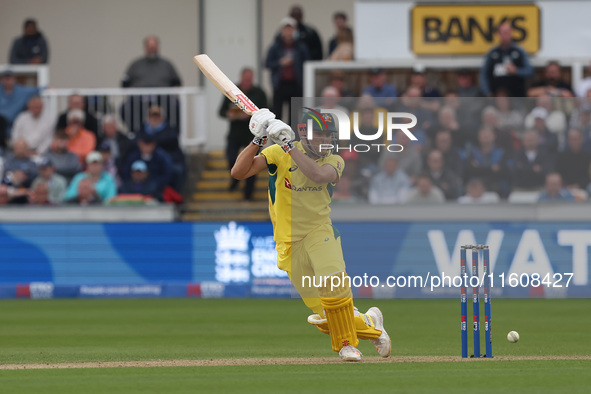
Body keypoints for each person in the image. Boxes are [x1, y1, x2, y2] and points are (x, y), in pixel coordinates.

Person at [231, 108, 391, 361]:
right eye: (321, 135)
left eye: (329, 135)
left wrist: (287, 145)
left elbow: (316, 175)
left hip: (320, 232)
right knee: (326, 313)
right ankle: (371, 323)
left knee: (334, 287)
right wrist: (258, 139)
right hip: (288, 241)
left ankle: (347, 345)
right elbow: (238, 173)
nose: (326, 141)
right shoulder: (277, 154)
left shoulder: (334, 160)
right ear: (305, 135)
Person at [219, 68, 267, 200]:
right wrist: (229, 114)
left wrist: (252, 116)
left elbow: (267, 110)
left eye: (249, 79)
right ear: (241, 78)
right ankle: (235, 179)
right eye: (245, 79)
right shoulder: (232, 92)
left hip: (251, 135)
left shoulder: (259, 93)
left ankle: (248, 194)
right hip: (235, 133)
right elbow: (221, 111)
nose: (247, 82)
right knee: (231, 157)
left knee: (252, 163)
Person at [265, 17, 309, 122]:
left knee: (293, 116)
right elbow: (267, 63)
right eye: (286, 29)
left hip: (295, 84)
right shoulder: (275, 47)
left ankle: (292, 138)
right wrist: (280, 63)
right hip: (280, 84)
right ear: (282, 31)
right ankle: (277, 137)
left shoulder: (301, 47)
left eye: (291, 29)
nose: (288, 32)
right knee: (277, 114)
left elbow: (307, 63)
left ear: (295, 31)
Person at [136, 106, 185, 192]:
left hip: (166, 162)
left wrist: (151, 143)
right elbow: (136, 141)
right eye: (152, 116)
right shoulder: (142, 129)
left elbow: (170, 140)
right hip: (148, 161)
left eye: (157, 116)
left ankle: (173, 197)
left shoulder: (170, 130)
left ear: (162, 118)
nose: (154, 119)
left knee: (176, 171)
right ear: (148, 118)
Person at [479, 22, 533, 97]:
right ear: (499, 34)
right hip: (497, 96)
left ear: (511, 33)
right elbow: (484, 74)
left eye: (507, 32)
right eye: (503, 33)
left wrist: (516, 71)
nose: (505, 35)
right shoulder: (492, 53)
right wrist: (487, 92)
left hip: (516, 95)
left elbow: (529, 71)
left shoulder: (519, 51)